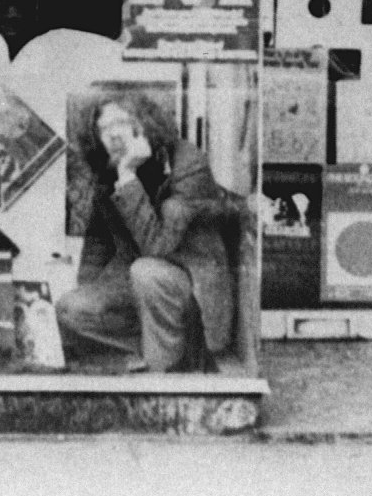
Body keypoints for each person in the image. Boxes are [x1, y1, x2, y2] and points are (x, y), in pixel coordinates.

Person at [56, 91, 246, 374]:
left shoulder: (186, 162)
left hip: (191, 290)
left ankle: (163, 371)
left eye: (120, 121)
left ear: (143, 123)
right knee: (71, 308)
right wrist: (86, 285)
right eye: (103, 128)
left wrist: (128, 176)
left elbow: (158, 247)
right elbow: (99, 241)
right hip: (140, 286)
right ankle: (150, 349)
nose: (113, 134)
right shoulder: (111, 172)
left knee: (147, 271)